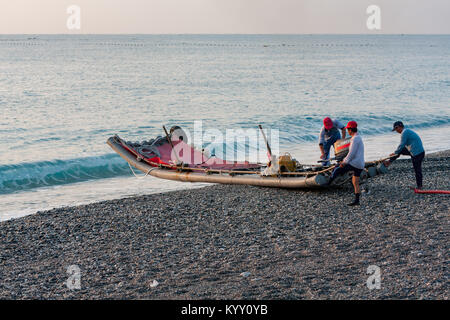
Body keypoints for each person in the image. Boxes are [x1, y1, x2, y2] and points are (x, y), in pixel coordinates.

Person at [328, 121, 364, 206]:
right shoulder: (358, 137)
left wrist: (344, 162)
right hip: (360, 164)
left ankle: (328, 183)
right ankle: (357, 201)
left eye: (348, 129)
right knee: (355, 182)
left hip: (355, 163)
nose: (347, 131)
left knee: (337, 168)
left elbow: (351, 153)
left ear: (351, 129)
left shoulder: (355, 139)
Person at [384, 121, 425, 189]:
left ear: (399, 127)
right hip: (415, 151)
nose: (396, 131)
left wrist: (395, 152)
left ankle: (419, 186)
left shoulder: (404, 132)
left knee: (417, 169)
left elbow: (402, 144)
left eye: (396, 129)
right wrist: (396, 153)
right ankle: (389, 161)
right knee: (401, 151)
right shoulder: (406, 131)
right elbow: (402, 147)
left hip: (417, 153)